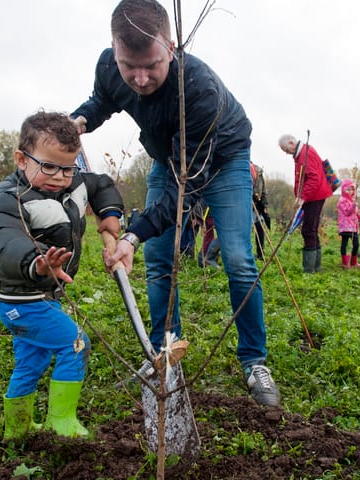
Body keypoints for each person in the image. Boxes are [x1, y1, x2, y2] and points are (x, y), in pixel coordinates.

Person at [72, 0, 279, 406]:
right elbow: (103, 100)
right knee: (159, 258)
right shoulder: (110, 67)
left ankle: (254, 361)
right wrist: (78, 121)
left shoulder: (198, 89)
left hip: (223, 158)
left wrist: (133, 235)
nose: (140, 78)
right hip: (170, 157)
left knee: (238, 259)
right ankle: (164, 352)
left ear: (171, 47)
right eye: (129, 66)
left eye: (151, 65)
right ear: (115, 50)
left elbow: (187, 187)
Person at [0, 111, 124, 439]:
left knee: (31, 361)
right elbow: (2, 240)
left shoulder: (72, 181)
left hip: (45, 297)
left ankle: (17, 428)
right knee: (76, 344)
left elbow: (100, 184)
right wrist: (36, 263)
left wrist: (110, 214)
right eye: (49, 167)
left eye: (68, 168)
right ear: (22, 159)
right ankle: (61, 422)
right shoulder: (11, 198)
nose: (60, 177)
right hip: (22, 300)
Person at [278, 134, 333, 273]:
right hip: (313, 196)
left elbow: (313, 179)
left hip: (315, 196)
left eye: (286, 149)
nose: (286, 153)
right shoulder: (301, 154)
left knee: (308, 230)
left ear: (291, 142)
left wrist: (302, 197)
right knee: (311, 229)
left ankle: (309, 269)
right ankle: (316, 266)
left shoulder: (304, 154)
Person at [336, 179, 360, 269]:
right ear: (343, 190)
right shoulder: (342, 200)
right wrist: (353, 206)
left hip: (353, 226)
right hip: (345, 226)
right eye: (348, 189)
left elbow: (354, 212)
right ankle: (344, 262)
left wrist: (358, 214)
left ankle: (353, 262)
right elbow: (347, 212)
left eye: (351, 189)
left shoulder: (352, 200)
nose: (350, 191)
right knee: (344, 244)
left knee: (356, 244)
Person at [251, 163, 271, 260]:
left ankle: (260, 254)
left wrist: (264, 205)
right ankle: (245, 254)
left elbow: (263, 191)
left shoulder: (259, 172)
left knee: (260, 228)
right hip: (246, 205)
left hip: (258, 205)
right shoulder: (243, 170)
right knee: (246, 230)